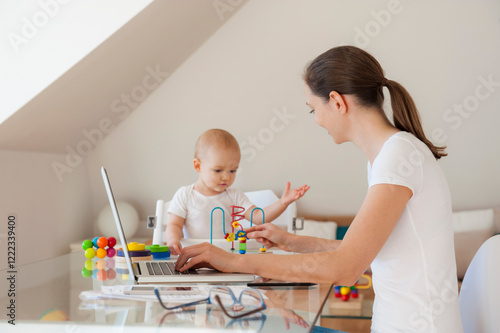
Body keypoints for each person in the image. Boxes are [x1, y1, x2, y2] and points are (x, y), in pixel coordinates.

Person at [174, 46, 463, 332]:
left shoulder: (398, 157)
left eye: (313, 109)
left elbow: (346, 268)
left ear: (337, 102)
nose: (315, 120)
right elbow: (364, 253)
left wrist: (234, 261)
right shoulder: (390, 155)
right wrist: (292, 242)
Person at [165, 128, 310, 255]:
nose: (226, 176)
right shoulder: (185, 195)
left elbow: (259, 217)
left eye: (233, 170)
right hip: (193, 256)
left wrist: (282, 202)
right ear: (198, 166)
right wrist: (173, 239)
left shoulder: (234, 196)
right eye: (218, 170)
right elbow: (174, 225)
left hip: (225, 258)